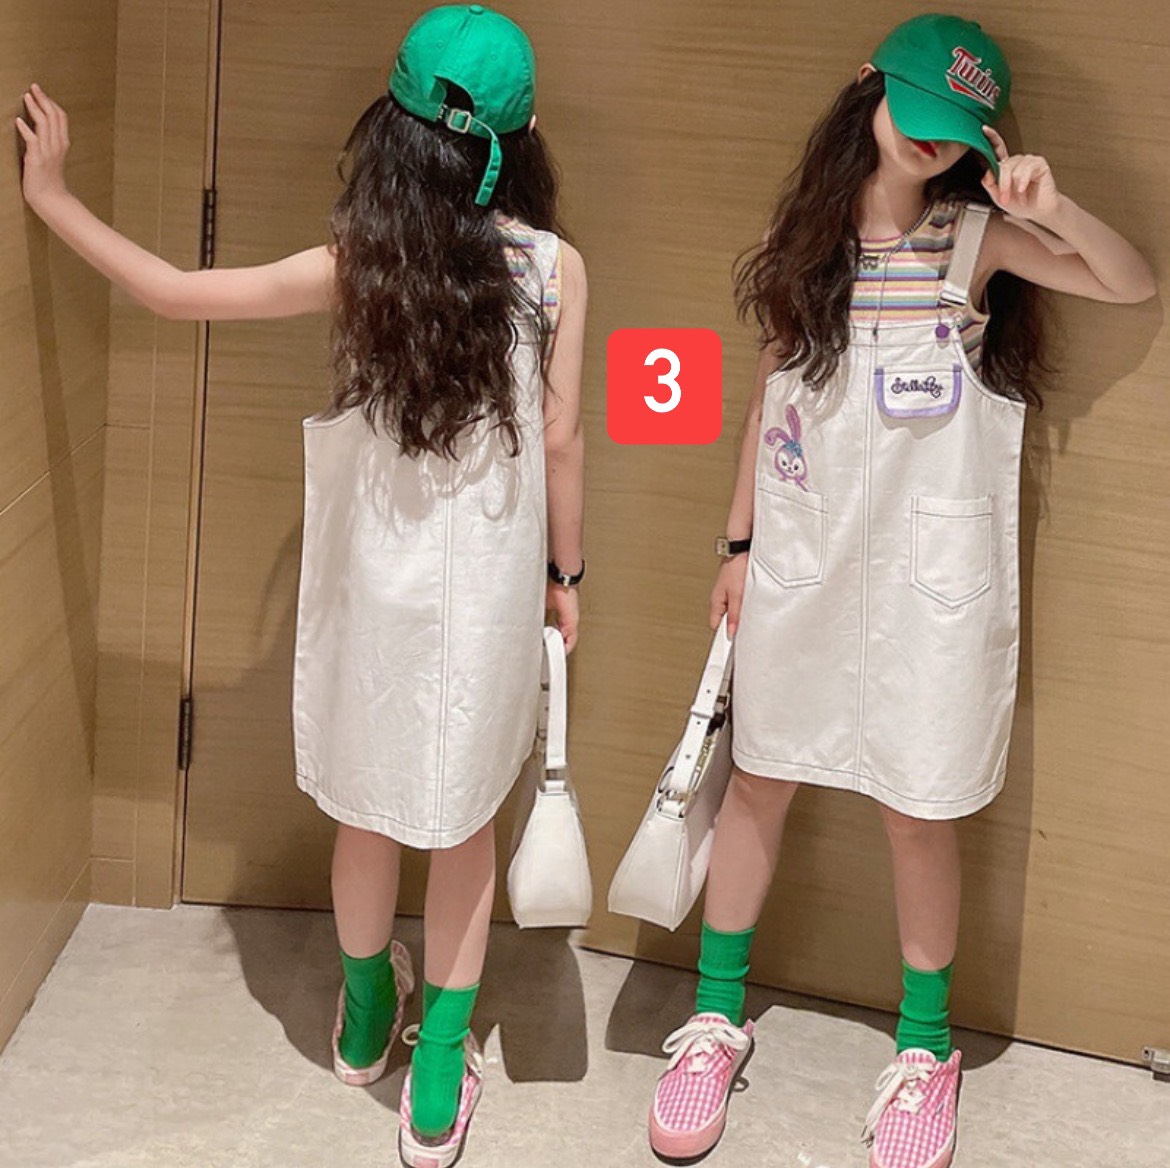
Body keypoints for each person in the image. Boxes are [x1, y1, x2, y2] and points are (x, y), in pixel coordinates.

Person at [18, 6, 587, 1166]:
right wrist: (566, 576)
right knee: (464, 826)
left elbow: (177, 292)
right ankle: (438, 1086)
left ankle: (367, 1019)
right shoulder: (554, 271)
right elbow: (566, 442)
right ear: (522, 143)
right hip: (487, 595)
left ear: (394, 130)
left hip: (371, 593)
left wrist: (53, 197)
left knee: (367, 810)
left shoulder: (360, 265)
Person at [646, 14, 1154, 1168]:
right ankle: (715, 1016)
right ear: (869, 93)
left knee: (919, 806)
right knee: (760, 775)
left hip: (931, 582)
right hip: (805, 556)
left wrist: (1053, 208)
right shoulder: (805, 239)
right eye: (914, 115)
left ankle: (926, 1050)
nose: (929, 143)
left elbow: (1129, 284)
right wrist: (737, 544)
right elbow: (768, 397)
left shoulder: (975, 237)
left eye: (953, 131)